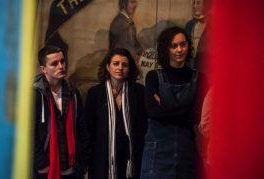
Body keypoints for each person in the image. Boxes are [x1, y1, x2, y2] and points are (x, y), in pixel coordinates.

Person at [140, 26, 207, 179]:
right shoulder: (153, 76)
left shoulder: (200, 79)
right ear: (166, 49)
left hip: (186, 151)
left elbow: (197, 116)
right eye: (174, 46)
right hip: (157, 153)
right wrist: (186, 110)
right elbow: (152, 111)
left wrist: (164, 107)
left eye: (183, 44)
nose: (179, 50)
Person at [81, 48, 147, 179]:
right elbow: (88, 129)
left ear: (130, 68)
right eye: (116, 63)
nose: (120, 68)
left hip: (131, 160)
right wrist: (86, 160)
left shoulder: (139, 92)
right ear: (107, 66)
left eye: (125, 65)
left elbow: (143, 128)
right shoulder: (95, 94)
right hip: (102, 160)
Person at [33, 46, 84, 179]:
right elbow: (28, 132)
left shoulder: (73, 92)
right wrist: (41, 164)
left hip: (71, 166)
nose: (61, 66)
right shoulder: (34, 94)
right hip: (46, 168)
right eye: (54, 64)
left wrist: (82, 160)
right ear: (43, 69)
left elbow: (81, 128)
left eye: (62, 61)